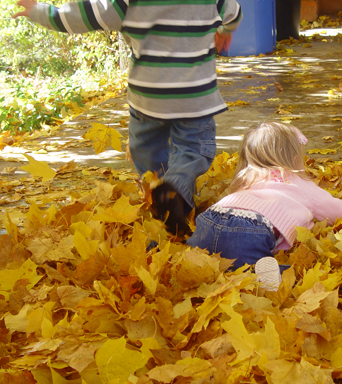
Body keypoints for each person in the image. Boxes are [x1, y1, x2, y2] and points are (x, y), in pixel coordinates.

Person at [13, 0, 242, 235]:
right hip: (195, 96)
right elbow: (234, 12)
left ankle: (160, 192)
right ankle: (174, 189)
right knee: (193, 150)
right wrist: (224, 31)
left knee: (146, 147)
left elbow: (86, 16)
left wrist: (42, 12)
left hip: (148, 95)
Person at [187, 122, 342, 290]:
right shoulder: (298, 182)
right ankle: (269, 276)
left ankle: (187, 261)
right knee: (265, 274)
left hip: (210, 218)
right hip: (250, 228)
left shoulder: (247, 177)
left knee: (205, 263)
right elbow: (339, 213)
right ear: (295, 159)